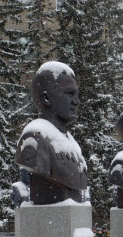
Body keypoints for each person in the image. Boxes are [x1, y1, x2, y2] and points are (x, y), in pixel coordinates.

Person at [15, 62, 87, 205]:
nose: (77, 101)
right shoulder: (35, 139)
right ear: (46, 98)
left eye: (76, 95)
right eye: (70, 94)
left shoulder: (70, 143)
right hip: (52, 207)